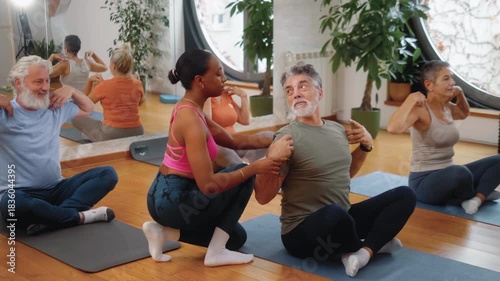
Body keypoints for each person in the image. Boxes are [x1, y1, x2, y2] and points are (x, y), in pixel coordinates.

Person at [254, 62, 417, 277]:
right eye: (290, 90)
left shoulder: (337, 129)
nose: (296, 94)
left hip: (342, 219)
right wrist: (272, 159)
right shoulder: (286, 137)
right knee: (335, 213)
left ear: (319, 92)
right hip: (301, 233)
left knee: (405, 195)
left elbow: (344, 173)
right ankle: (370, 243)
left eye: (303, 86)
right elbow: (263, 197)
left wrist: (366, 146)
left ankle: (363, 252)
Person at [142, 49, 293, 267]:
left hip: (164, 196)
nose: (224, 79)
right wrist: (256, 167)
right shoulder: (191, 120)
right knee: (244, 174)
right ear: (200, 81)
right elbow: (208, 186)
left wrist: (276, 137)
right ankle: (216, 253)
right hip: (175, 201)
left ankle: (163, 232)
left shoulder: (192, 108)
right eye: (219, 73)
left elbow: (233, 141)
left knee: (237, 238)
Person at [0, 55, 118, 235]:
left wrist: (71, 90)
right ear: (18, 82)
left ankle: (55, 217)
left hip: (56, 189)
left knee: (108, 174)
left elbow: (88, 108)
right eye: (38, 82)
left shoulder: (55, 107)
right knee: (12, 202)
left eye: (47, 81)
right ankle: (79, 217)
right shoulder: (5, 113)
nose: (46, 88)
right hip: (19, 193)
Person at [387, 60, 500, 215]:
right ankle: (478, 192)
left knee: (497, 161)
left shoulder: (447, 107)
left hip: (449, 175)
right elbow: (393, 128)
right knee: (461, 172)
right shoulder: (421, 110)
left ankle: (476, 199)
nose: (452, 82)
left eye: (451, 78)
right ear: (429, 85)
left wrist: (459, 94)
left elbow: (463, 113)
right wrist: (410, 99)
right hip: (424, 183)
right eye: (446, 79)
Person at [71, 44, 145, 142]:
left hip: (112, 135)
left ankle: (92, 135)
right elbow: (140, 103)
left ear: (113, 66)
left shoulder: (104, 85)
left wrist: (89, 82)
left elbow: (83, 106)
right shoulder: (138, 83)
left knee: (74, 115)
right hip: (137, 132)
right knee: (100, 124)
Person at [204, 86, 273, 169]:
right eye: (218, 75)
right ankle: (244, 169)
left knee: (270, 136)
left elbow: (245, 120)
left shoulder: (226, 96)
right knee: (220, 149)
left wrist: (243, 96)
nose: (223, 79)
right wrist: (207, 95)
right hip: (221, 147)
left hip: (235, 144)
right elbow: (206, 124)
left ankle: (245, 163)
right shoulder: (205, 99)